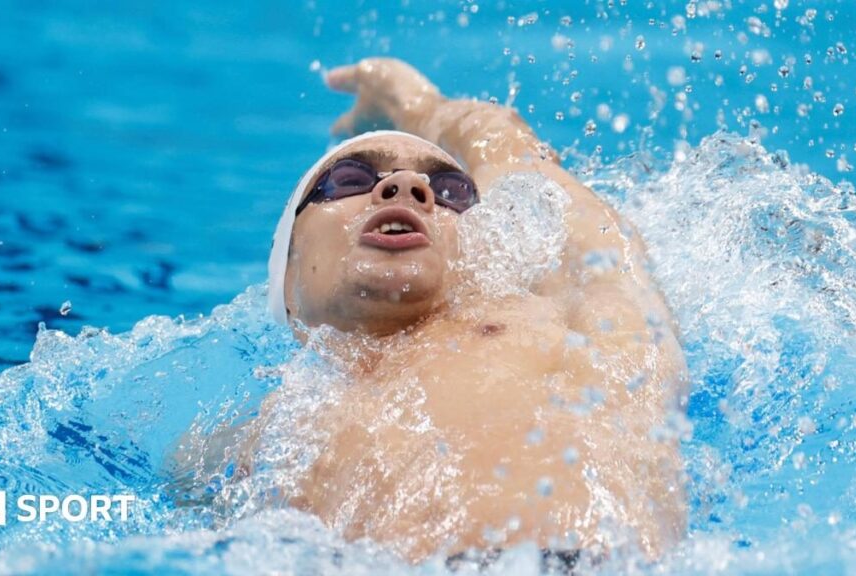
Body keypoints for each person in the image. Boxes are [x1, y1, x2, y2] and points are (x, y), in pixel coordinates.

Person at [178, 58, 689, 567]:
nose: (405, 188)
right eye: (352, 179)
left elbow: (532, 172)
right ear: (286, 279)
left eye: (450, 192)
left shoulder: (565, 324)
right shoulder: (248, 442)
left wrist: (419, 106)